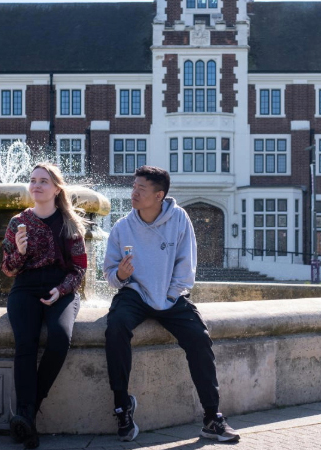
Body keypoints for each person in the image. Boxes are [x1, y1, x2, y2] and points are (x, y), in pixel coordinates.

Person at [103, 166, 240, 443]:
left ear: (158, 195)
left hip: (171, 294)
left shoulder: (179, 219)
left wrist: (168, 297)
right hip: (134, 294)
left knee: (199, 338)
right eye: (134, 187)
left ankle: (212, 418)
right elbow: (109, 274)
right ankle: (122, 407)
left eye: (141, 189)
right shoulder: (122, 227)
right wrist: (121, 275)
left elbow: (186, 267)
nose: (134, 193)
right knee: (115, 329)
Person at [1, 162, 88, 449]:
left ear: (56, 188)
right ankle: (28, 420)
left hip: (60, 289)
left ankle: (27, 411)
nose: (36, 185)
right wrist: (21, 252)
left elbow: (79, 270)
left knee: (60, 339)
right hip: (25, 289)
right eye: (33, 180)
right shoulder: (18, 223)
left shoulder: (70, 223)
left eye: (43, 181)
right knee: (25, 343)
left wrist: (61, 290)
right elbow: (8, 269)